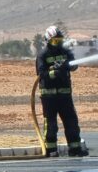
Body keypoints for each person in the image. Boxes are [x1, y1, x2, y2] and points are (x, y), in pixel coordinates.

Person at [36, 25, 89, 157]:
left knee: (71, 122)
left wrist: (68, 66)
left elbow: (75, 65)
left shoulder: (65, 52)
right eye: (55, 41)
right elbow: (41, 74)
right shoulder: (43, 55)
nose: (58, 43)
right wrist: (54, 71)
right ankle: (51, 150)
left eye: (59, 40)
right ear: (48, 40)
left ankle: (75, 148)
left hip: (65, 95)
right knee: (51, 124)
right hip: (49, 97)